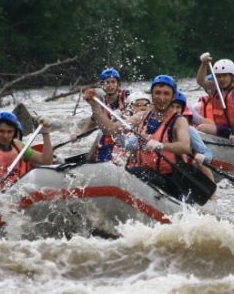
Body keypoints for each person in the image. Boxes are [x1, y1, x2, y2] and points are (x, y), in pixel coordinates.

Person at [86, 75, 211, 204]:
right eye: (157, 93)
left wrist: (161, 146)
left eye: (166, 94)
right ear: (152, 94)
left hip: (170, 179)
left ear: (173, 97)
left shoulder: (180, 121)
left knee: (134, 172)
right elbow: (110, 130)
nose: (161, 98)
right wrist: (95, 106)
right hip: (146, 174)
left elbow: (184, 146)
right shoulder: (141, 116)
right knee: (128, 170)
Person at [196, 54, 234, 143]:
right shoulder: (216, 88)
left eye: (225, 75)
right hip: (224, 129)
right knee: (198, 128)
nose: (221, 79)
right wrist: (204, 64)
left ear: (232, 76)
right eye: (218, 76)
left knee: (202, 128)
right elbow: (201, 81)